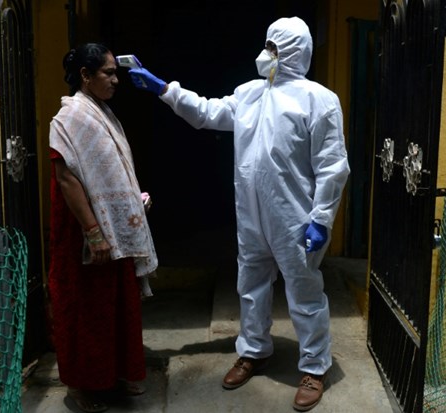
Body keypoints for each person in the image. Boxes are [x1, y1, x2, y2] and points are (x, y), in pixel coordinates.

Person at [129, 17, 350, 412]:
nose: (265, 54)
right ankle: (254, 351)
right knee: (251, 287)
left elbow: (333, 165)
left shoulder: (319, 100)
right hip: (251, 215)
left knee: (305, 294)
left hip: (295, 218)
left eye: (273, 47)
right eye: (266, 45)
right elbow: (209, 113)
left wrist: (321, 218)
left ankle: (315, 367)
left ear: (293, 51)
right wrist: (165, 90)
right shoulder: (249, 94)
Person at [48, 43, 158, 413]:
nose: (115, 79)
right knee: (86, 309)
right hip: (86, 233)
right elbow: (67, 179)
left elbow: (112, 171)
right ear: (85, 76)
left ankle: (114, 376)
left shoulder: (103, 112)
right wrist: (94, 232)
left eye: (115, 72)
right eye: (108, 73)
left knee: (116, 306)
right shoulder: (71, 118)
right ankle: (81, 387)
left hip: (115, 230)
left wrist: (131, 201)